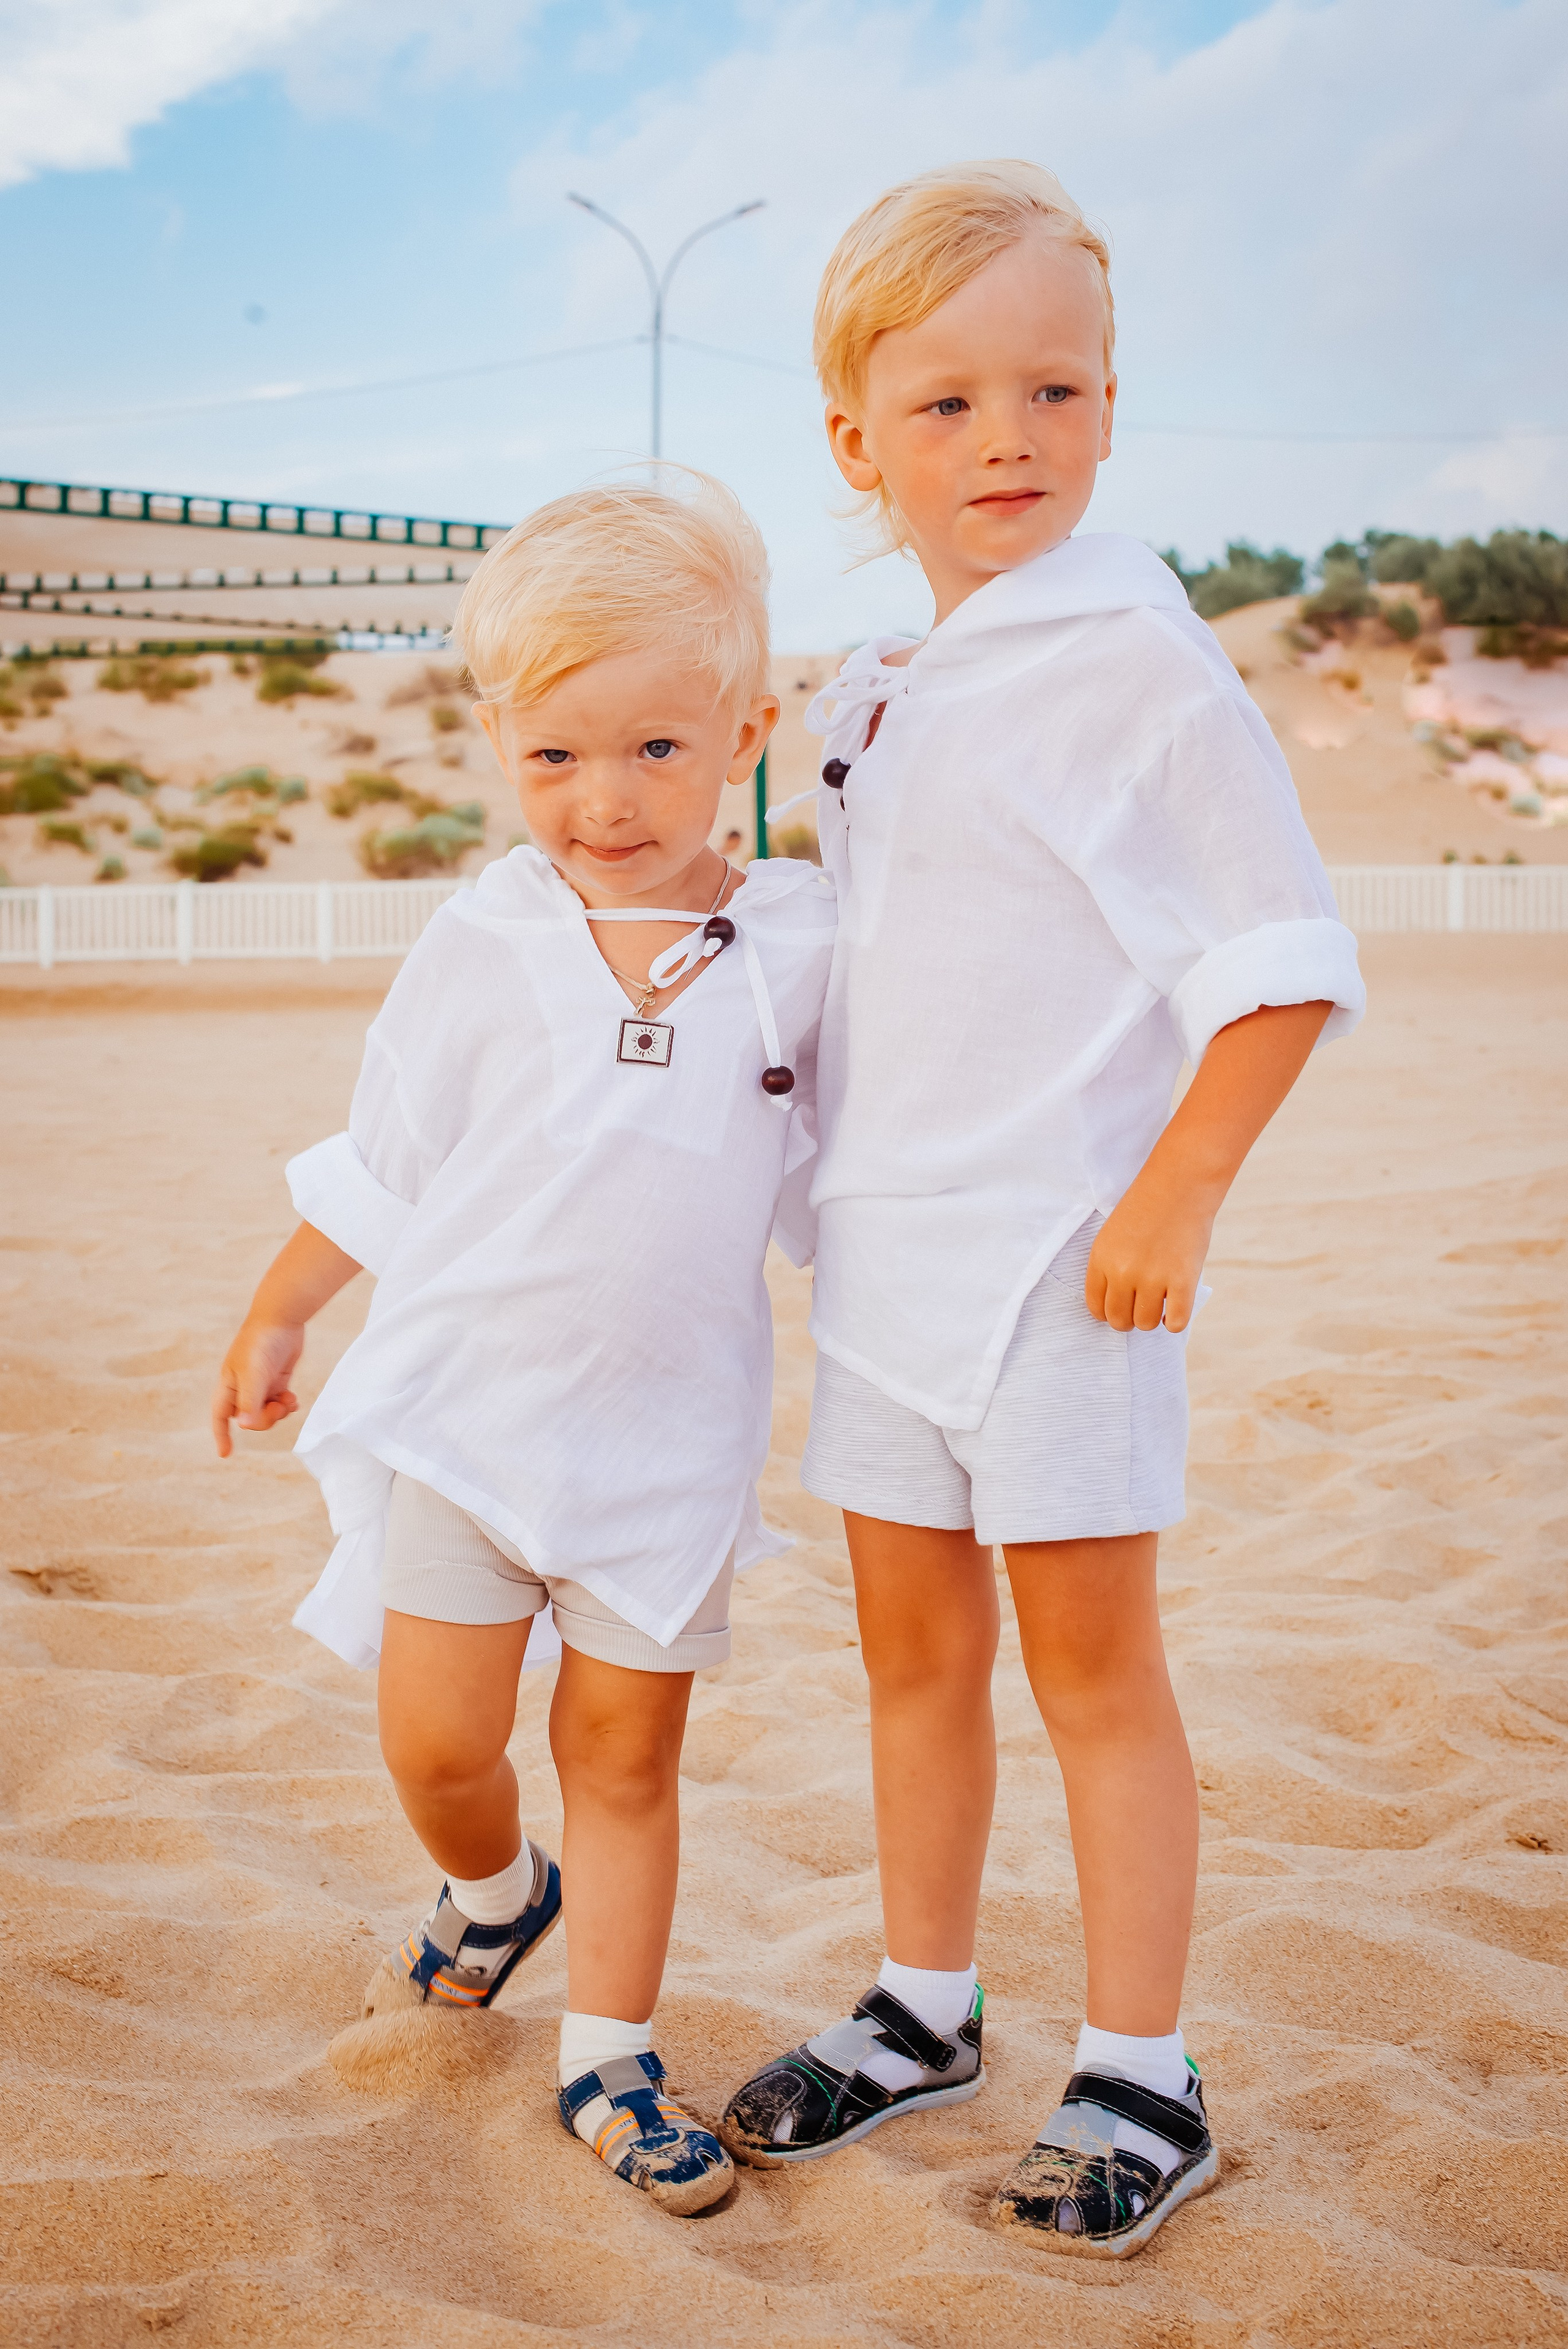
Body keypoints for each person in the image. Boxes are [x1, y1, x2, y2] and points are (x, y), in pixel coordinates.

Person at [718, 162, 1365, 2257]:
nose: (1007, 438)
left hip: (1063, 1272)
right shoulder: (893, 684)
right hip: (888, 1257)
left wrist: (1179, 1185)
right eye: (946, 404)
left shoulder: (1139, 666)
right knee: (914, 1659)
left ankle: (1144, 2067)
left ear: (1110, 408)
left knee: (1095, 1671)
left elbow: (1277, 959)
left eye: (1055, 390)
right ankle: (924, 2003)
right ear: (856, 445)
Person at [212, 474, 835, 2217]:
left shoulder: (793, 948)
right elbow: (389, 1151)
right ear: (499, 739)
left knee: (629, 1759)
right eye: (554, 756)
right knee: (434, 1738)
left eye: (654, 748)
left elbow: (855, 1171)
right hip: (471, 1425)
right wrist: (281, 1303)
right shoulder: (486, 934)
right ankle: (495, 1893)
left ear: (745, 729)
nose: (603, 798)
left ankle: (609, 2047)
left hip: (668, 1450)